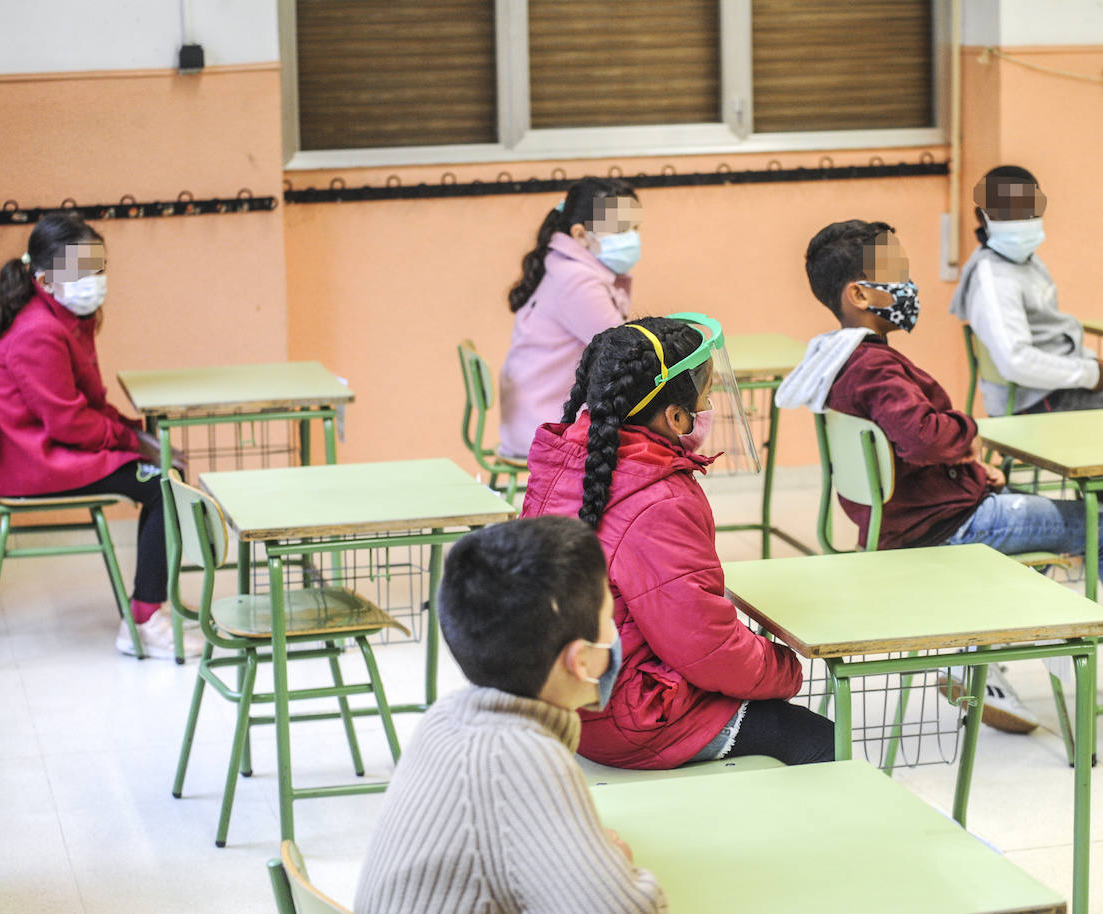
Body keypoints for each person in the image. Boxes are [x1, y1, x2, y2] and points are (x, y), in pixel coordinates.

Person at [782, 219, 1103, 729]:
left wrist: (969, 471)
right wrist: (968, 431)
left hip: (911, 521)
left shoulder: (838, 361)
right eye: (897, 275)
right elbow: (921, 435)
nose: (908, 286)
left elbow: (904, 449)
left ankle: (976, 662)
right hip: (948, 526)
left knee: (1040, 525)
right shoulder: (875, 368)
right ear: (858, 293)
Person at [521, 315, 834, 767]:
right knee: (824, 742)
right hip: (631, 719)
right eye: (706, 398)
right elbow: (707, 648)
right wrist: (786, 668)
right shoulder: (658, 498)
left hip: (569, 699)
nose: (709, 407)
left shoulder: (563, 460)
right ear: (675, 416)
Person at [354, 516, 666, 914]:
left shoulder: (446, 716)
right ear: (580, 660)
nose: (615, 634)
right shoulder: (520, 758)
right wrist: (619, 866)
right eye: (608, 619)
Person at [0, 212, 199, 659]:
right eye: (78, 271)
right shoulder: (39, 331)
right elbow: (70, 423)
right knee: (161, 486)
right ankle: (144, 622)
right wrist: (134, 442)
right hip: (30, 460)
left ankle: (151, 605)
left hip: (37, 448)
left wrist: (132, 433)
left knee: (161, 469)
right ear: (44, 278)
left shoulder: (68, 316)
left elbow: (85, 403)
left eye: (97, 268)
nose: (92, 281)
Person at [948, 165, 1103, 578]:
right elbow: (1016, 361)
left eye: (1030, 207)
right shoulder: (993, 275)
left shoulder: (1024, 260)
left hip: (1057, 387)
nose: (1024, 219)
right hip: (1038, 400)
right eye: (1010, 210)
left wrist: (1088, 365)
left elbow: (1053, 333)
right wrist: (1084, 373)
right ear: (984, 216)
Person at [498, 177, 642, 458]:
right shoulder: (577, 281)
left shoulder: (563, 265)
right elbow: (625, 353)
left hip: (531, 421)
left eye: (635, 228)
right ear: (579, 234)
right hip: (548, 429)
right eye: (621, 229)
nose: (632, 237)